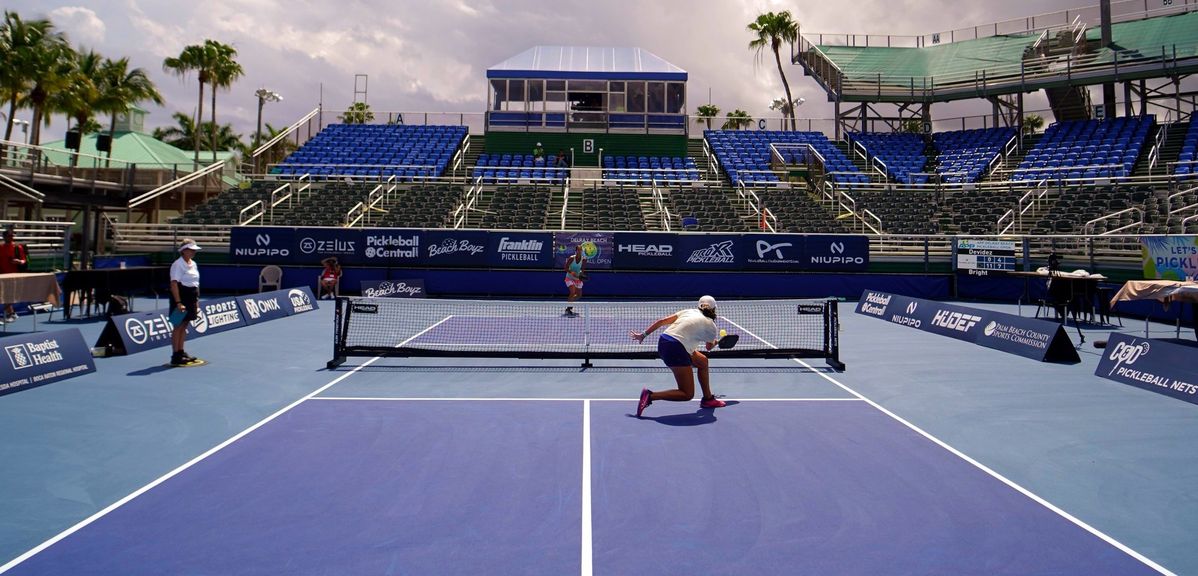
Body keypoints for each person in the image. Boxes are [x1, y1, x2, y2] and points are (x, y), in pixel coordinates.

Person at [630, 295, 727, 417]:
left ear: (699, 305)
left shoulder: (688, 311)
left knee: (702, 361)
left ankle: (708, 399)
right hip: (676, 348)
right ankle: (650, 396)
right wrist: (718, 342)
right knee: (687, 394)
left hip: (664, 341)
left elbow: (661, 322)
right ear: (714, 309)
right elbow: (709, 347)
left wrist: (643, 335)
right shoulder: (711, 325)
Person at [169, 239, 202, 366]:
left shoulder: (193, 264)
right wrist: (178, 302)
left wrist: (196, 299)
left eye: (194, 250)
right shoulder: (177, 264)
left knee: (184, 325)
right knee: (178, 326)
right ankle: (175, 355)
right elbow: (174, 283)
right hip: (180, 297)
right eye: (191, 250)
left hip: (191, 297)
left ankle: (181, 351)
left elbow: (196, 283)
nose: (194, 252)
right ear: (184, 251)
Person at [0, 226, 28, 323]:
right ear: (4, 237)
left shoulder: (17, 247)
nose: (12, 237)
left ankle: (10, 313)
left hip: (15, 275)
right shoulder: (1, 247)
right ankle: (11, 313)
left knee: (10, 295)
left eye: (12, 235)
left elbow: (25, 260)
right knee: (5, 295)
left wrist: (19, 261)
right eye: (10, 235)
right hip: (3, 275)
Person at [563, 244, 586, 317]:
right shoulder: (571, 258)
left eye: (580, 250)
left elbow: (582, 269)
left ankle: (570, 303)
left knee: (579, 295)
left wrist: (581, 274)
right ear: (576, 251)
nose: (579, 251)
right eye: (578, 250)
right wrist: (571, 272)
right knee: (572, 292)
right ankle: (569, 308)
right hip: (569, 277)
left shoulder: (584, 259)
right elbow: (565, 268)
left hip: (577, 279)